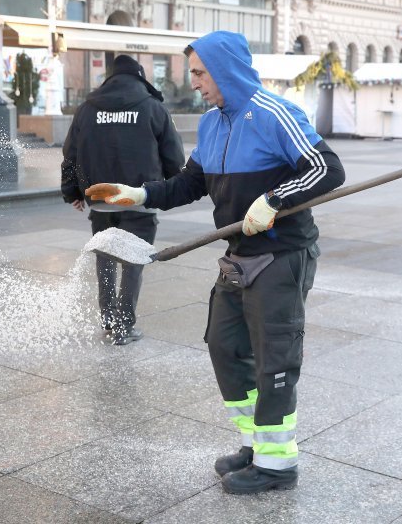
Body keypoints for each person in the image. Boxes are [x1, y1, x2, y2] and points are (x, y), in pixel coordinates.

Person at [85, 32, 345, 493]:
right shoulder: (212, 124)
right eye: (195, 75)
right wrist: (141, 194)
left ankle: (277, 465)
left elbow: (327, 168)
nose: (197, 83)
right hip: (239, 255)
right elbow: (189, 183)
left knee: (274, 359)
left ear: (225, 70)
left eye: (202, 74)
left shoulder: (274, 114)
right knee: (224, 345)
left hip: (282, 255)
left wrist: (274, 198)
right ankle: (255, 445)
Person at [61, 55, 184, 345]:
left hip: (100, 200)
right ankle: (124, 326)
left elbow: (72, 155)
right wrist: (167, 185)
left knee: (105, 258)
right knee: (132, 261)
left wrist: (74, 192)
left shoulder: (87, 109)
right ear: (139, 77)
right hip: (139, 198)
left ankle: (108, 319)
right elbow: (174, 158)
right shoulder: (153, 108)